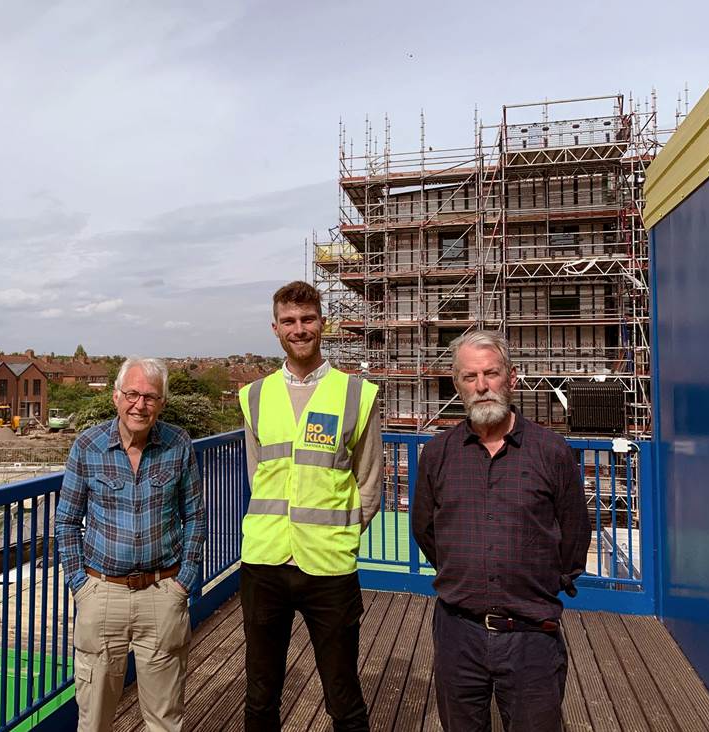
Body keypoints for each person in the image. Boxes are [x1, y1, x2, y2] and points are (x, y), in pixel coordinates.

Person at [412, 330, 591, 732]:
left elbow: (575, 534)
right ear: (457, 384)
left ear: (511, 377)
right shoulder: (438, 454)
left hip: (532, 636)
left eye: (491, 374)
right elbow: (425, 530)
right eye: (469, 377)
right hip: (458, 633)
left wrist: (539, 582)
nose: (482, 386)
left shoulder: (550, 451)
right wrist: (466, 571)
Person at [239, 280, 381, 732]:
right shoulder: (254, 396)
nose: (299, 329)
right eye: (289, 321)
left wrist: (340, 531)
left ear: (323, 323)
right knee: (261, 696)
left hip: (330, 566)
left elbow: (370, 481)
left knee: (344, 698)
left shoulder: (356, 393)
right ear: (275, 328)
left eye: (307, 319)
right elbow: (257, 474)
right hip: (265, 561)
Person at [54, 357, 206, 732]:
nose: (140, 405)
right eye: (132, 394)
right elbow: (67, 520)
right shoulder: (87, 446)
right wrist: (80, 585)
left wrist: (183, 581)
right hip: (102, 592)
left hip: (162, 592)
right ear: (116, 397)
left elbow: (195, 517)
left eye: (150, 397)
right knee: (94, 721)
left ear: (162, 403)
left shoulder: (178, 444)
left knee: (164, 720)